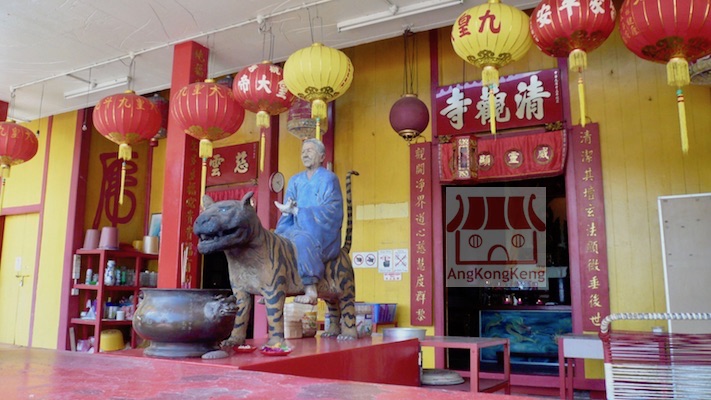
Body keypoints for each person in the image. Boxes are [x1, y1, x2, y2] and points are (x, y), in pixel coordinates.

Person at [274, 138, 344, 304]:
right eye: (303, 152)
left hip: (320, 230)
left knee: (303, 240)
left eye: (309, 151)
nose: (305, 154)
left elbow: (332, 210)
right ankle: (274, 286)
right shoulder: (295, 180)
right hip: (294, 225)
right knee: (276, 241)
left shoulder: (329, 179)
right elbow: (289, 206)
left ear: (322, 157)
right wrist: (287, 211)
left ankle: (310, 289)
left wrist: (299, 212)